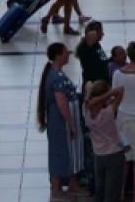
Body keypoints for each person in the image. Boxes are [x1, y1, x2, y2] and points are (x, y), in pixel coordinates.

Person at [38, 42, 88, 199]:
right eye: (66, 52)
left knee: (71, 152)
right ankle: (56, 188)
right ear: (58, 56)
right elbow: (62, 102)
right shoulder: (56, 77)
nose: (68, 55)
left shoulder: (58, 74)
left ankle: (72, 184)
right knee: (60, 153)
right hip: (61, 122)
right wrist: (71, 124)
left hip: (65, 120)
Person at [83, 80, 127, 202]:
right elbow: (120, 90)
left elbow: (88, 84)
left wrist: (91, 98)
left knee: (99, 191)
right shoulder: (108, 113)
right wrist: (106, 96)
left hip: (99, 155)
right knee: (112, 193)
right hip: (115, 155)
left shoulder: (85, 111)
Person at [76, 20, 109, 87]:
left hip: (101, 81)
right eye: (100, 31)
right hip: (94, 84)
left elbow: (102, 60)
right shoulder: (86, 48)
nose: (103, 34)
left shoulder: (96, 45)